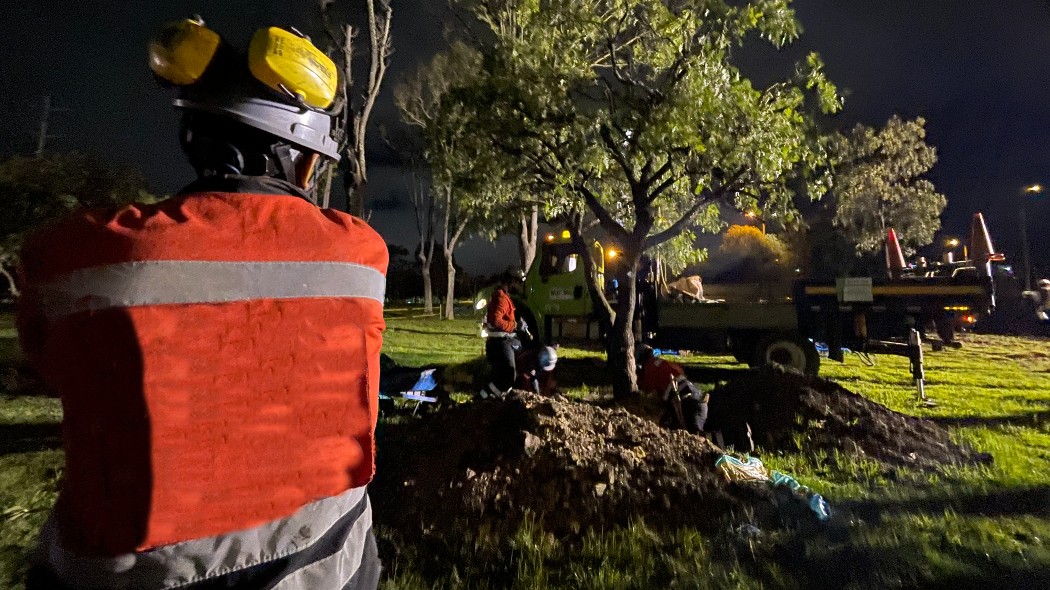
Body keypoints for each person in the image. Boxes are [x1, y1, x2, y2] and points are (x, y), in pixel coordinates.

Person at [18, 18, 386, 589]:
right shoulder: (361, 257)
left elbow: (48, 364)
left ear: (189, 136)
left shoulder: (75, 256)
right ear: (303, 160)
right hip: (327, 563)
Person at [636, 345, 708, 435]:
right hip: (698, 399)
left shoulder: (650, 367)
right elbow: (681, 372)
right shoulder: (665, 361)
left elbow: (646, 389)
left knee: (694, 437)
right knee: (697, 436)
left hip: (686, 404)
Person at [480, 282, 521, 399]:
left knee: (500, 376)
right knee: (508, 377)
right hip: (501, 341)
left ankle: (490, 399)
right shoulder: (501, 298)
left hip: (498, 341)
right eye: (518, 282)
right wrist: (514, 326)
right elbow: (497, 321)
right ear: (512, 281)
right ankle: (484, 397)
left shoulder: (499, 296)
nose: (519, 286)